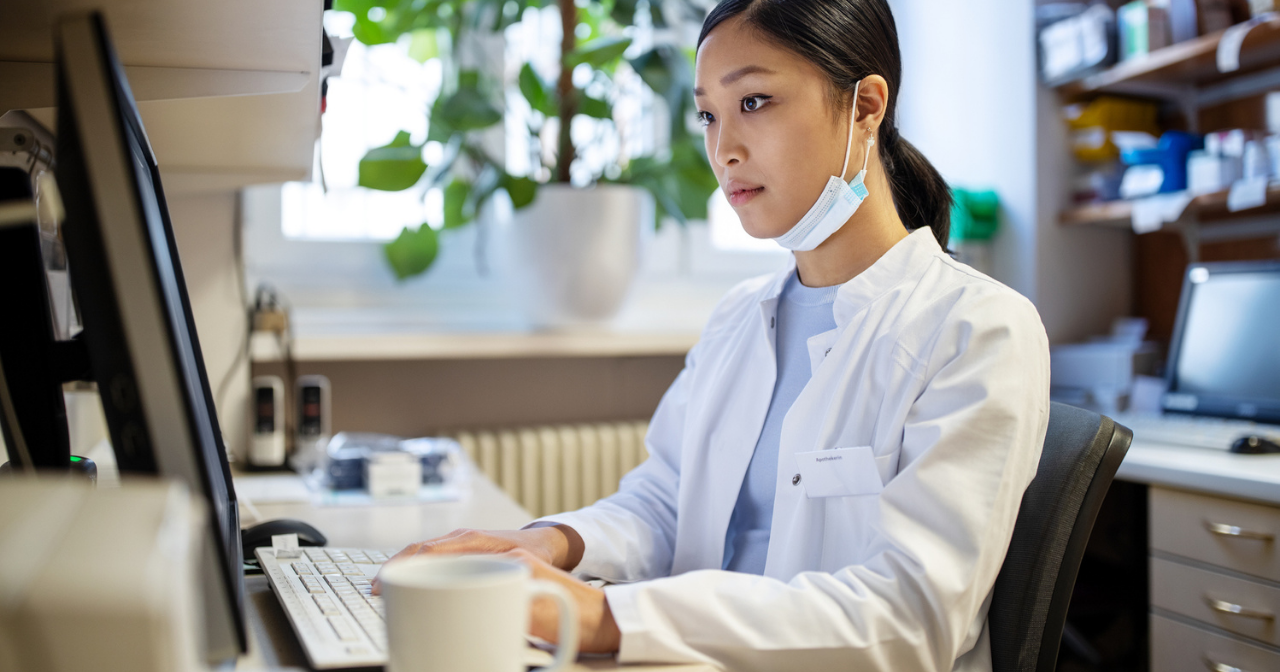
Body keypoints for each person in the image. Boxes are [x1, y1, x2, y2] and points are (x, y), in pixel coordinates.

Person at [375, 0, 1050, 669]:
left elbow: (908, 618)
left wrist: (598, 614)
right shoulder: (741, 315)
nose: (723, 149)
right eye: (708, 114)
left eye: (754, 101)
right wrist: (548, 544)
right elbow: (666, 499)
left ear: (866, 105)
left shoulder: (976, 329)